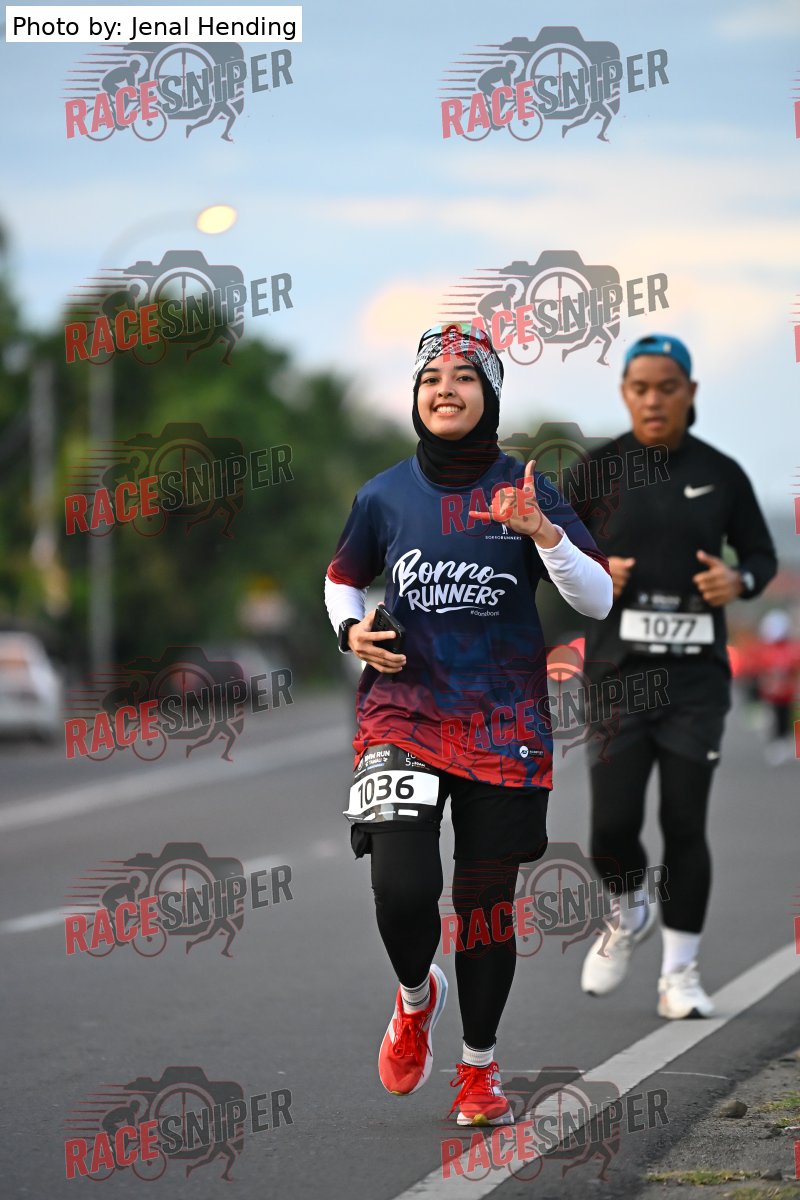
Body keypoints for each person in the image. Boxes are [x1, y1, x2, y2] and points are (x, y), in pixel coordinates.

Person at [324, 322, 612, 1126]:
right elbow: (342, 580)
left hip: (502, 724)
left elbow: (596, 597)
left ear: (489, 396)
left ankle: (478, 1069)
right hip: (403, 714)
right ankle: (417, 995)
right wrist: (349, 632)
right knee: (401, 889)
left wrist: (543, 534)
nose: (444, 389)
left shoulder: (525, 488)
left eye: (463, 377)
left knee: (485, 906)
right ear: (416, 397)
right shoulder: (384, 495)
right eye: (430, 379)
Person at [574, 333, 777, 1018]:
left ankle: (680, 974)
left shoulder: (722, 473)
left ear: (690, 392)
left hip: (695, 682)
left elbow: (761, 555)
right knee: (611, 827)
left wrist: (739, 580)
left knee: (684, 820)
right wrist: (592, 569)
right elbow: (549, 554)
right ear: (624, 393)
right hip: (617, 678)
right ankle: (628, 909)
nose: (654, 399)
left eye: (667, 387)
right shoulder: (597, 471)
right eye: (640, 388)